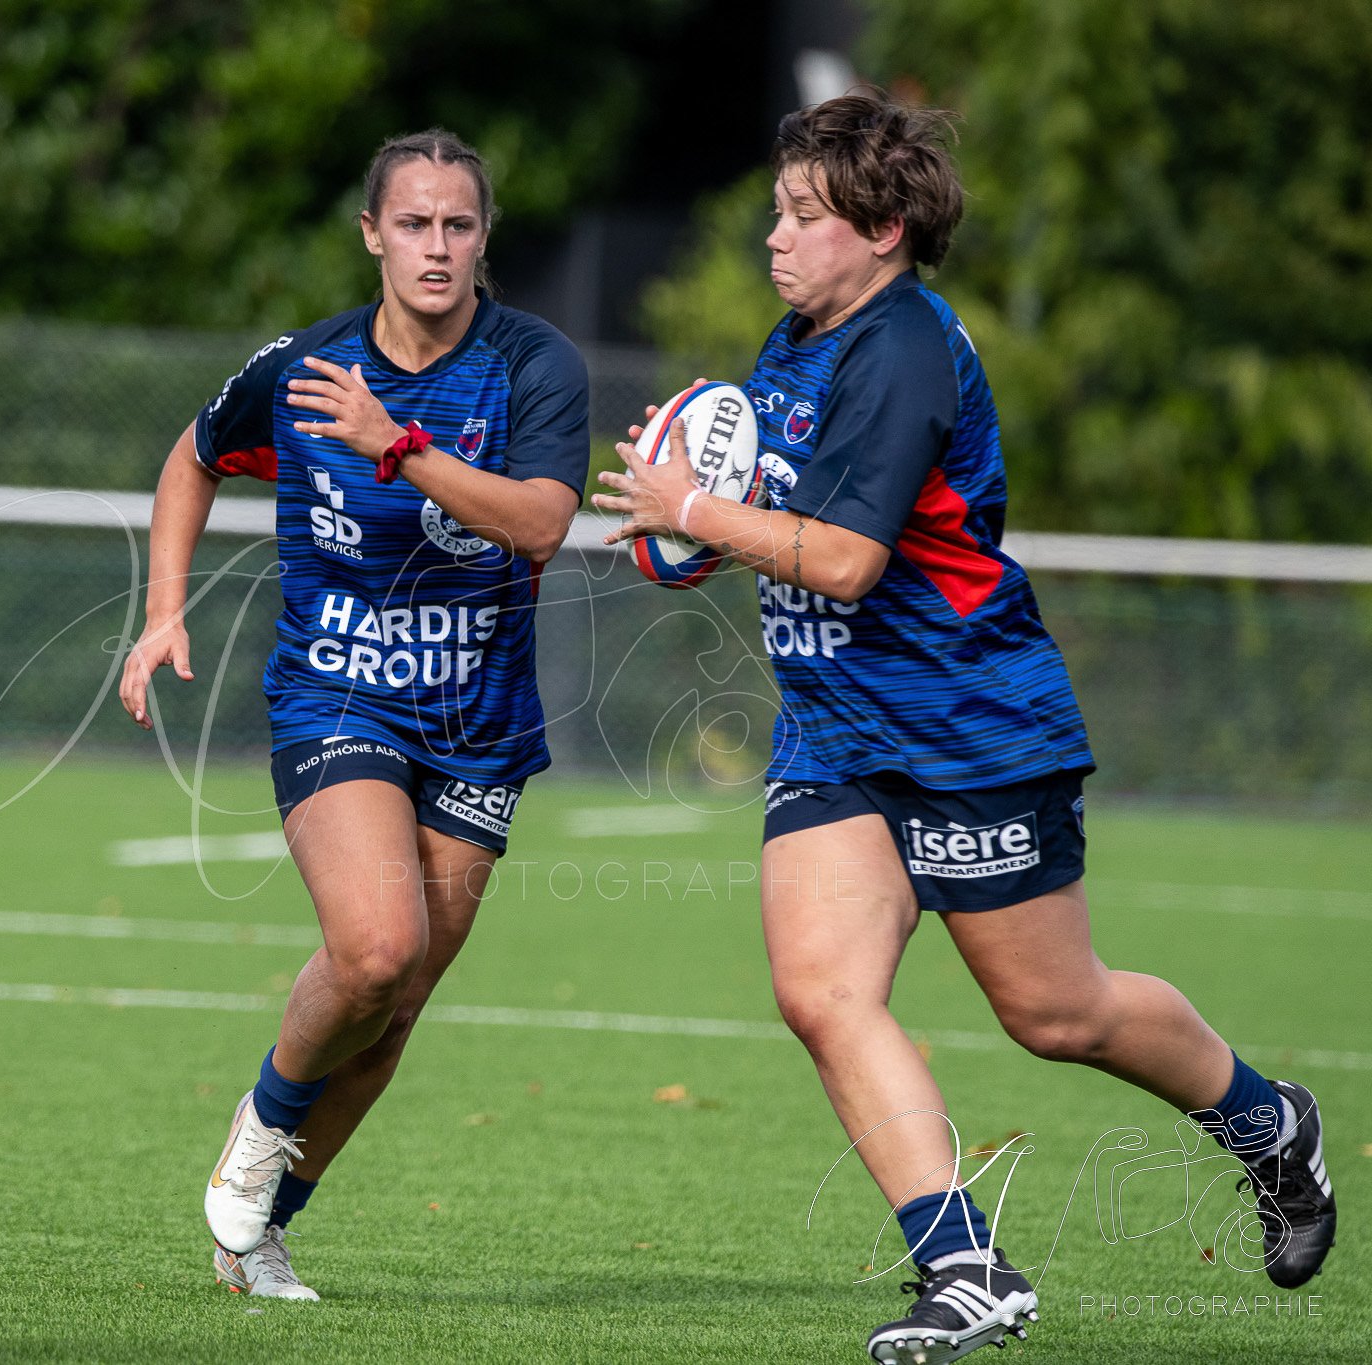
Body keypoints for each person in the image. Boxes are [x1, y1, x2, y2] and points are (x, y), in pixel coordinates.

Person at [593, 90, 1335, 1364]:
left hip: (968, 731)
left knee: (1057, 1016)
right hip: (836, 728)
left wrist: (697, 516)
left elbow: (839, 562)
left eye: (801, 216)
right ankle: (964, 1267)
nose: (773, 237)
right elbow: (784, 515)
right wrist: (696, 528)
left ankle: (1273, 1130)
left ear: (880, 229)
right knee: (822, 993)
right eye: (775, 210)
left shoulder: (899, 355)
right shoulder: (798, 340)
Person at [119, 128, 588, 1299]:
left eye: (459, 225)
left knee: (397, 1006)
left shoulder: (534, 365)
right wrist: (162, 611)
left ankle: (262, 1231)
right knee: (376, 949)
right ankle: (264, 1120)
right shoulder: (302, 366)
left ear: (483, 239)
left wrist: (399, 445)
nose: (436, 247)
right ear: (371, 234)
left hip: (479, 720)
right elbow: (191, 458)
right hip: (336, 693)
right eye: (414, 224)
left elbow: (536, 523)